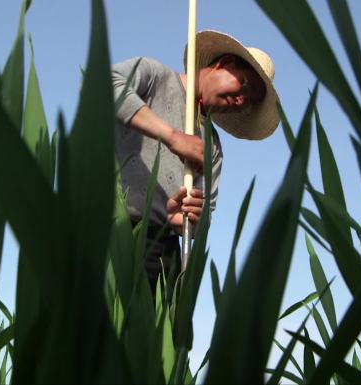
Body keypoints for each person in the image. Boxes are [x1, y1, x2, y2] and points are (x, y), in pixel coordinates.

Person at [111, 30, 280, 295]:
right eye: (244, 85)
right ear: (223, 64)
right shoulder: (156, 78)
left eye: (249, 101)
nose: (241, 100)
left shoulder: (210, 146)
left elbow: (206, 214)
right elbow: (106, 83)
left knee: (158, 334)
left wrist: (188, 219)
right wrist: (172, 136)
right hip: (108, 227)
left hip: (160, 252)